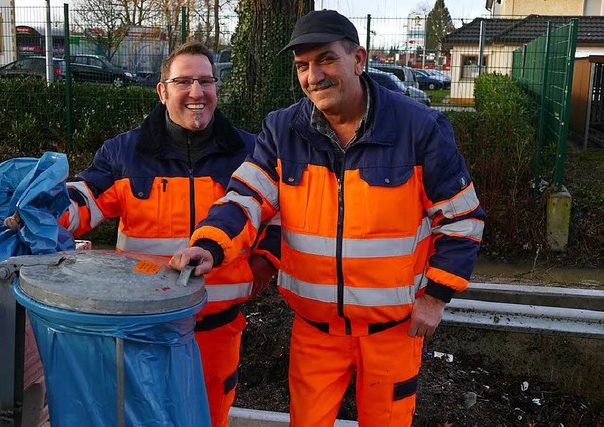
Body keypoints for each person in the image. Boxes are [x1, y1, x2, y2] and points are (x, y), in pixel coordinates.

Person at [169, 10, 485, 427]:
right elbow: (246, 198)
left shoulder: (418, 128)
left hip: (392, 332)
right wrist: (208, 245)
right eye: (303, 66)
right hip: (315, 332)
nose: (313, 75)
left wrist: (436, 296)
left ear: (358, 59)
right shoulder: (283, 130)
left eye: (326, 59)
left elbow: (461, 218)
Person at [58, 42, 280, 427]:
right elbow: (85, 201)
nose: (197, 92)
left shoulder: (250, 151)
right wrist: (41, 205)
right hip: (145, 331)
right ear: (162, 92)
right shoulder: (125, 153)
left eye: (206, 81)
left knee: (211, 416)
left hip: (218, 327)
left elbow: (281, 212)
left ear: (216, 88)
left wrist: (265, 261)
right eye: (183, 81)